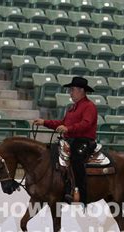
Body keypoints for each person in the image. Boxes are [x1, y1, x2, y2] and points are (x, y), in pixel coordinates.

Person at [34, 76, 98, 204]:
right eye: (71, 90)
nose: (70, 93)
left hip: (84, 141)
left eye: (72, 90)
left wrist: (68, 129)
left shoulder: (89, 106)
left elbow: (86, 124)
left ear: (81, 91)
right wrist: (45, 122)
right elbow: (62, 123)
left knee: (76, 159)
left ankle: (80, 192)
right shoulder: (72, 108)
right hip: (71, 140)